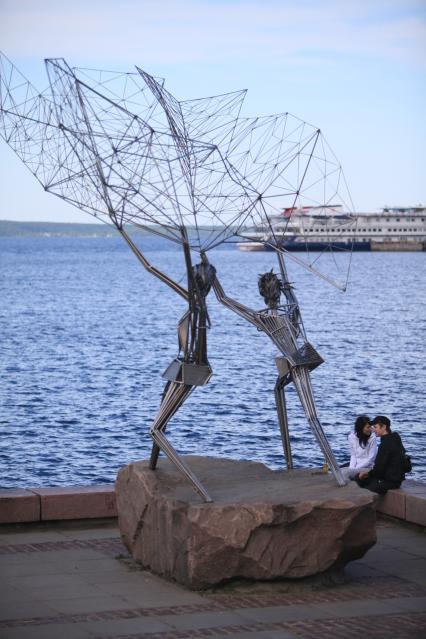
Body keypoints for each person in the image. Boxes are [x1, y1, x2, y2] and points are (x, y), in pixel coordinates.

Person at [355, 416, 406, 494]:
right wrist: (369, 473)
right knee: (361, 477)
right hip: (397, 480)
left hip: (388, 482)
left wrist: (369, 474)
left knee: (359, 480)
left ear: (384, 427)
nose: (373, 430)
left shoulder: (385, 444)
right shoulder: (395, 438)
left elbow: (379, 469)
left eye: (375, 427)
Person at [342, 415, 377, 480]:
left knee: (345, 473)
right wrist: (351, 468)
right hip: (356, 467)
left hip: (368, 467)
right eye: (368, 427)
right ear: (361, 428)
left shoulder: (373, 438)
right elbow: (353, 455)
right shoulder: (351, 437)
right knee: (339, 471)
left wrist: (354, 469)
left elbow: (370, 460)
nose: (370, 429)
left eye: (370, 427)